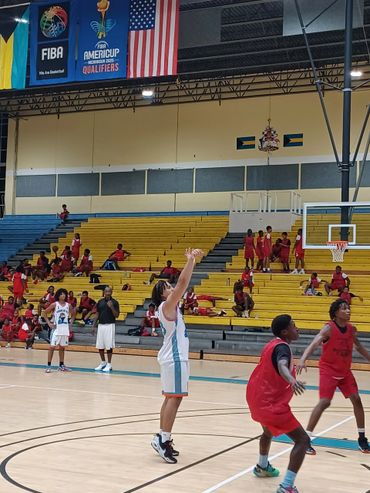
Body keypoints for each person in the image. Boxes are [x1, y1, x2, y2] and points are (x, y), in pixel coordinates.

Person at [151, 248, 204, 464]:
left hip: (171, 357)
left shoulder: (169, 307)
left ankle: (162, 437)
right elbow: (182, 284)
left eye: (170, 286)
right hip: (175, 358)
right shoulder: (167, 305)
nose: (172, 288)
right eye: (167, 287)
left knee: (172, 398)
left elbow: (180, 286)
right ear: (162, 294)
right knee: (174, 398)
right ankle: (163, 440)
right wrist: (191, 261)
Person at [297, 299, 370, 455]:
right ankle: (305, 439)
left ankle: (362, 439)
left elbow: (359, 346)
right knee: (324, 402)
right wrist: (303, 359)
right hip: (328, 370)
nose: (348, 311)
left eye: (349, 308)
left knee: (357, 399)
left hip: (344, 372)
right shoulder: (328, 328)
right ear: (336, 313)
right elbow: (314, 343)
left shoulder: (351, 329)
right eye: (344, 308)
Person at [246, 314, 309, 493]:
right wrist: (291, 380)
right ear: (285, 332)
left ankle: (262, 466)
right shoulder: (282, 348)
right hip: (269, 404)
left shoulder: (271, 345)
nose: (297, 328)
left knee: (267, 432)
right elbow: (282, 365)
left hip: (256, 400)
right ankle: (287, 486)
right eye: (294, 325)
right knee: (302, 440)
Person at [43, 288, 75, 373]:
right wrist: (49, 323)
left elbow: (73, 315)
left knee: (62, 348)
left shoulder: (68, 305)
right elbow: (44, 313)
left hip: (64, 329)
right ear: (58, 295)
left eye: (64, 294)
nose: (63, 295)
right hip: (56, 329)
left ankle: (61, 365)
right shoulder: (55, 304)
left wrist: (70, 324)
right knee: (52, 347)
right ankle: (48, 366)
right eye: (61, 294)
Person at [92, 286, 120, 372]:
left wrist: (111, 307)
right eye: (106, 291)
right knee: (100, 346)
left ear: (111, 292)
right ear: (104, 292)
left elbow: (117, 315)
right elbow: (97, 314)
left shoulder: (115, 302)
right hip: (101, 325)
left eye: (109, 291)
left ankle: (109, 364)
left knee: (109, 346)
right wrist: (93, 325)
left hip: (110, 325)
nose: (108, 293)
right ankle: (103, 362)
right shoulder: (100, 302)